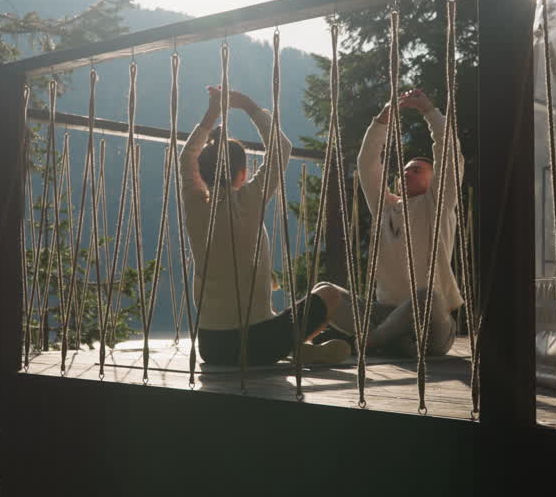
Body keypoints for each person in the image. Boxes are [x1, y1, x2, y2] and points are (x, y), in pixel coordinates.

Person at [181, 86, 352, 366]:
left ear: (200, 171)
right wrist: (249, 105)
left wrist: (212, 112)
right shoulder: (250, 197)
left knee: (279, 309)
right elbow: (281, 148)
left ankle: (293, 348)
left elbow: (187, 156)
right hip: (255, 341)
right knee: (329, 293)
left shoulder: (194, 203)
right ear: (243, 173)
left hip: (210, 345)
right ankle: (294, 347)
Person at [356, 88, 464, 360]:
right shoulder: (386, 208)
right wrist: (381, 121)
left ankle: (371, 341)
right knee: (327, 293)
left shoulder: (438, 203)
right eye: (404, 170)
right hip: (386, 314)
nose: (406, 173)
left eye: (416, 170)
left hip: (433, 327)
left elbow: (450, 157)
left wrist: (430, 112)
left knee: (426, 296)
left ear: (433, 179)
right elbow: (367, 163)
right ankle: (386, 340)